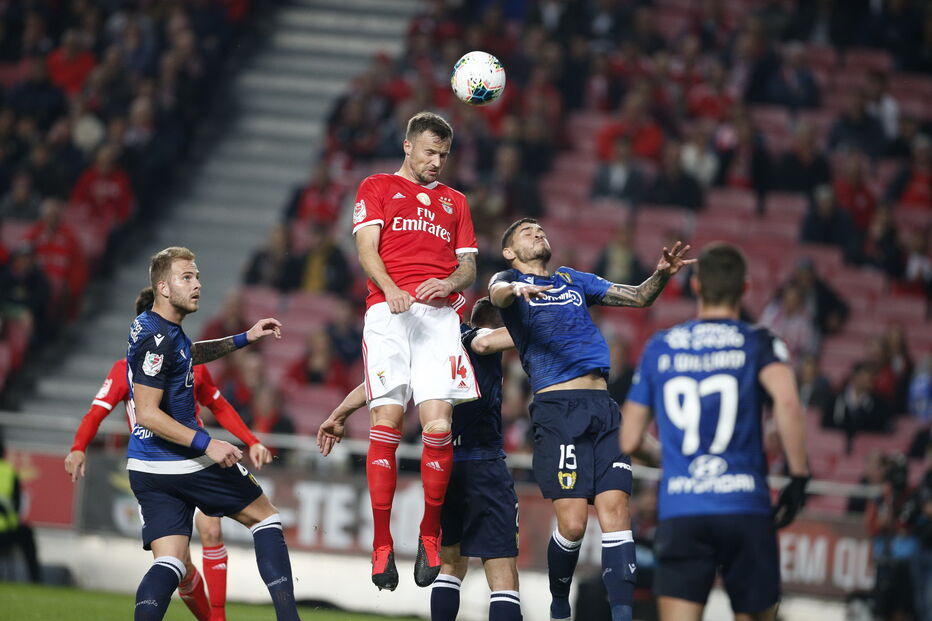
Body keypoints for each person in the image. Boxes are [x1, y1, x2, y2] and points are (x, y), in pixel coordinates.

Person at [488, 218, 695, 621]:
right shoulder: (508, 279)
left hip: (603, 408)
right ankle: (560, 603)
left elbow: (638, 298)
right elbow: (497, 296)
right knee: (574, 524)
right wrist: (514, 288)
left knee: (617, 510)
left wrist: (661, 275)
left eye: (540, 229)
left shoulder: (571, 279)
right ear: (511, 251)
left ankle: (621, 614)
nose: (538, 233)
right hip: (557, 413)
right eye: (526, 232)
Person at [620, 242, 810, 621]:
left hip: (681, 509)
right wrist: (799, 476)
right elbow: (788, 403)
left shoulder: (661, 346)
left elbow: (628, 439)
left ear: (696, 287)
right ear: (745, 288)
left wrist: (672, 461)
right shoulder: (761, 342)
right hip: (745, 507)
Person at [64, 286, 273, 621]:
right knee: (180, 566)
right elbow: (96, 412)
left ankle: (217, 617)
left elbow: (218, 405)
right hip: (157, 464)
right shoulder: (124, 370)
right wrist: (77, 448)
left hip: (196, 458)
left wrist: (252, 440)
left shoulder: (190, 361)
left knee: (213, 531)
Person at [317, 298, 523, 621]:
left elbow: (380, 382)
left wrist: (339, 413)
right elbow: (489, 341)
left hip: (442, 465)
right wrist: (542, 323)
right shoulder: (476, 339)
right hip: (483, 464)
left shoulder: (432, 349)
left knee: (451, 564)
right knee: (502, 574)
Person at [124, 246, 298, 621]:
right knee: (265, 519)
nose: (198, 284)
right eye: (187, 277)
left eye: (198, 276)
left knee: (170, 562)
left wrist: (243, 338)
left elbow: (187, 354)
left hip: (145, 466)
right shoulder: (159, 339)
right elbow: (149, 414)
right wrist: (208, 443)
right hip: (180, 457)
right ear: (163, 288)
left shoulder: (157, 329)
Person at [352, 111, 478, 590]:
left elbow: (468, 269)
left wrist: (447, 281)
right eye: (429, 152)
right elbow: (367, 249)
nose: (436, 162)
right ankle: (382, 546)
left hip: (440, 317)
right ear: (408, 147)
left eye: (443, 155)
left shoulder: (457, 203)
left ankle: (429, 533)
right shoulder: (377, 187)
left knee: (439, 426)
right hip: (389, 314)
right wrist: (390, 289)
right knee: (386, 422)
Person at [0, 433, 41, 583]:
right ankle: (35, 579)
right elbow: (17, 506)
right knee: (27, 534)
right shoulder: (10, 472)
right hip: (6, 533)